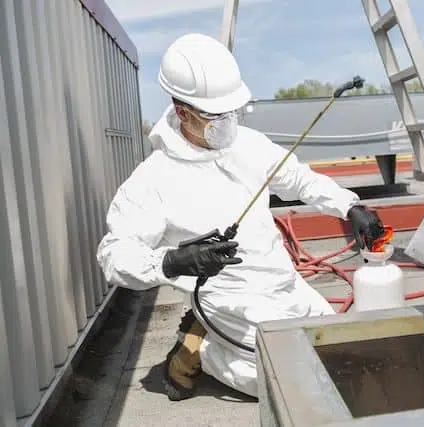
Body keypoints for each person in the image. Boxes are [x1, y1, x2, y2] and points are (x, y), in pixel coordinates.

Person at [96, 33, 385, 401]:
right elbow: (115, 257)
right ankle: (201, 349)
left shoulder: (247, 143)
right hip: (225, 296)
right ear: (183, 112)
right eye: (217, 116)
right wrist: (172, 262)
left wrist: (349, 206)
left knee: (339, 355)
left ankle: (212, 338)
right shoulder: (153, 180)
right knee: (295, 384)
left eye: (234, 112)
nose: (229, 122)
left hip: (282, 281)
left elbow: (297, 178)